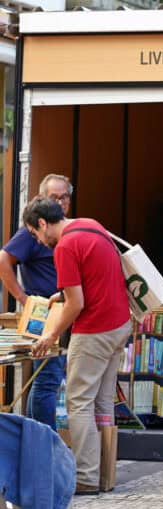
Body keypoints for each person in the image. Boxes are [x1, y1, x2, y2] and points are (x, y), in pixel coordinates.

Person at [24, 197, 132, 495]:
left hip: (95, 329)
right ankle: (105, 475)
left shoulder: (64, 247)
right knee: (101, 403)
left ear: (42, 223)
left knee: (79, 402)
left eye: (34, 234)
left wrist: (50, 335)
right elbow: (92, 279)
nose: (37, 240)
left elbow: (78, 303)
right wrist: (64, 294)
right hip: (120, 324)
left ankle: (86, 476)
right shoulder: (91, 225)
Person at [0, 174, 72, 430]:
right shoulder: (29, 232)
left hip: (66, 309)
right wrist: (22, 297)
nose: (61, 202)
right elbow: (3, 260)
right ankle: (45, 440)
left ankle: (35, 436)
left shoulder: (65, 229)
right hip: (45, 312)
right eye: (55, 197)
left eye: (65, 196)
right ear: (42, 199)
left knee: (48, 378)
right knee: (47, 378)